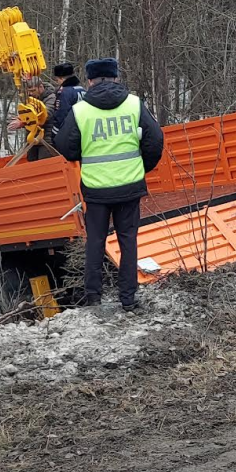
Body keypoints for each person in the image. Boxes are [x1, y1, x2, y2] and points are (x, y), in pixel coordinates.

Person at [54, 57, 164, 311]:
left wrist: (84, 155)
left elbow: (65, 147)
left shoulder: (81, 110)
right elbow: (155, 139)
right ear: (116, 77)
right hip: (129, 186)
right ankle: (128, 299)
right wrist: (140, 167)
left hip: (96, 188)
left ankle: (94, 298)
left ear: (90, 81)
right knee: (128, 240)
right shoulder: (135, 104)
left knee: (95, 242)